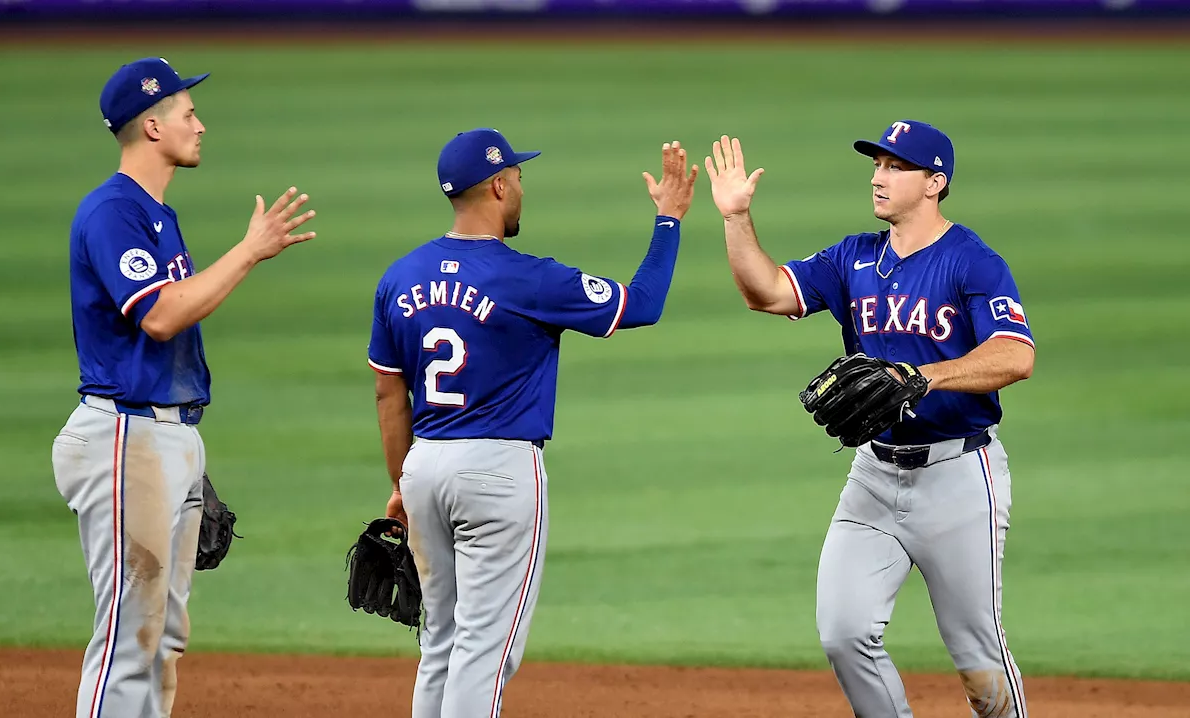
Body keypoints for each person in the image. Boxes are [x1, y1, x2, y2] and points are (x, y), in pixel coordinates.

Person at [704, 123, 1035, 717]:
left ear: (935, 183)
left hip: (959, 477)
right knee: (844, 632)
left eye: (896, 167)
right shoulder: (853, 257)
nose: (879, 177)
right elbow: (766, 292)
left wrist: (923, 377)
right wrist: (734, 218)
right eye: (877, 165)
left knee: (977, 661)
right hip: (873, 477)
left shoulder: (972, 262)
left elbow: (1017, 354)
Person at [366, 128, 698, 717]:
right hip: (497, 473)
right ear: (497, 185)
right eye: (517, 177)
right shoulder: (529, 277)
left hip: (424, 468)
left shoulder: (400, 277)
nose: (521, 186)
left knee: (439, 639)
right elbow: (642, 305)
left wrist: (400, 482)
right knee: (484, 650)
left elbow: (388, 394)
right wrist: (669, 218)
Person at [51, 56, 317, 718]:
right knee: (128, 638)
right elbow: (162, 315)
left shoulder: (156, 216)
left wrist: (183, 450)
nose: (200, 124)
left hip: (160, 433)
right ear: (150, 126)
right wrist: (249, 250)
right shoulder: (114, 212)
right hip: (124, 434)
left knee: (162, 638)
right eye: (187, 113)